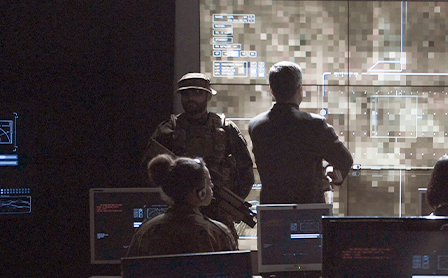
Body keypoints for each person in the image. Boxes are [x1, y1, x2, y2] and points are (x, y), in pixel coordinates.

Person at [143, 72, 254, 236]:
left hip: (218, 211)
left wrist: (229, 203)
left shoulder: (226, 129)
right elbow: (149, 171)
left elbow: (246, 172)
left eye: (197, 93)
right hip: (178, 215)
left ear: (208, 96)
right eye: (186, 94)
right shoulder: (168, 131)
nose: (191, 98)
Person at [248, 61, 354, 204]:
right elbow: (344, 159)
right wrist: (330, 172)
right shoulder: (315, 125)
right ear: (299, 89)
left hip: (272, 212)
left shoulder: (256, 126)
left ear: (272, 90)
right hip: (308, 210)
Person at [127, 154, 236, 257]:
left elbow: (130, 272)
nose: (212, 185)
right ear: (199, 192)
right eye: (209, 181)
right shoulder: (218, 234)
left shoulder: (145, 232)